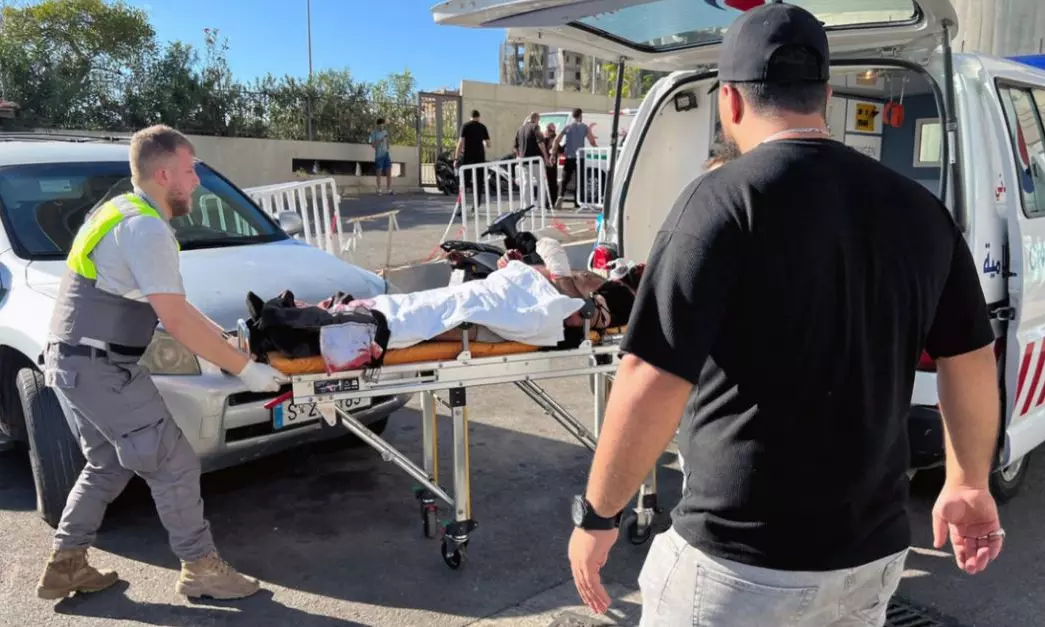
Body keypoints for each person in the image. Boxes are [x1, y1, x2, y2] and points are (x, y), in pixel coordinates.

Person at [567, 4, 1004, 626]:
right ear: (825, 96)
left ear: (729, 101)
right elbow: (971, 356)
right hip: (871, 560)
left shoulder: (720, 202)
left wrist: (599, 515)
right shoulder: (920, 210)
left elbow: (652, 377)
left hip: (740, 564)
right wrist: (967, 482)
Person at [36, 124, 287, 601]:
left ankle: (66, 564)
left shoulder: (118, 210)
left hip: (74, 363)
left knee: (107, 463)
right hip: (102, 368)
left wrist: (227, 343)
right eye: (190, 171)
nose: (196, 181)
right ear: (165, 174)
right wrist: (244, 370)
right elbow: (174, 320)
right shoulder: (146, 228)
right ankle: (200, 568)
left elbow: (175, 305)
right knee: (173, 462)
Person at [553, 108, 598, 210]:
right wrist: (597, 148)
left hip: (569, 157)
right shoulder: (584, 127)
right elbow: (592, 141)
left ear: (573, 116)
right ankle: (577, 202)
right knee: (579, 180)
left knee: (564, 179)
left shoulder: (568, 127)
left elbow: (556, 140)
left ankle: (560, 196)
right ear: (580, 115)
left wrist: (554, 152)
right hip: (580, 157)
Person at [514, 112, 550, 207]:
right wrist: (546, 157)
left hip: (524, 160)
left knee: (527, 183)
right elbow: (540, 143)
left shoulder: (520, 129)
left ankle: (527, 206)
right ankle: (540, 204)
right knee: (541, 182)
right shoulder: (535, 127)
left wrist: (518, 156)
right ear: (536, 119)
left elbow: (516, 146)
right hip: (536, 160)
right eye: (539, 120)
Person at [455, 109, 491, 200]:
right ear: (478, 117)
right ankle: (476, 204)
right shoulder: (483, 127)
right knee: (478, 182)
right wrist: (483, 143)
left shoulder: (465, 126)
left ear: (470, 117)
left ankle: (460, 203)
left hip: (468, 157)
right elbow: (488, 144)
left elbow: (460, 143)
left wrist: (456, 158)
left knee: (464, 182)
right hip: (480, 158)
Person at [369, 118, 393, 195]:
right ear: (377, 125)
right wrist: (380, 141)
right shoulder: (373, 133)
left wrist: (388, 146)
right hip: (379, 156)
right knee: (379, 173)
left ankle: (389, 189)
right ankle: (379, 190)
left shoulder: (385, 132)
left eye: (383, 126)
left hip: (386, 154)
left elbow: (387, 140)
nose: (381, 127)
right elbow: (372, 145)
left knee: (389, 172)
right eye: (380, 126)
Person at [543, 122, 560, 205]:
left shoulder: (550, 139)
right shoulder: (549, 139)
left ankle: (550, 202)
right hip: (550, 163)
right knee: (551, 183)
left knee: (550, 183)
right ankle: (551, 202)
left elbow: (559, 149)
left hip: (550, 163)